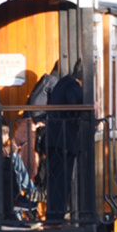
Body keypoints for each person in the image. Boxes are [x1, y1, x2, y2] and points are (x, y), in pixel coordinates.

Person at [45, 61, 86, 223]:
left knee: (56, 181)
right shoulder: (72, 85)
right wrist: (87, 107)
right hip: (63, 141)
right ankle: (56, 219)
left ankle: (54, 217)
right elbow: (74, 102)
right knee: (62, 182)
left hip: (54, 140)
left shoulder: (63, 82)